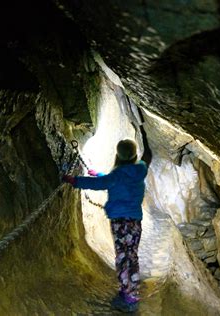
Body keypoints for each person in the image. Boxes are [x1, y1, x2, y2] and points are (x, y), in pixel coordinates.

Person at [63, 128, 152, 313]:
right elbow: (118, 178)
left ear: (118, 155)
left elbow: (100, 184)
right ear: (134, 155)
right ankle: (132, 289)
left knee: (122, 255)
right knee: (132, 255)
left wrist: (74, 181)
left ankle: (127, 294)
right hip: (135, 220)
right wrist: (100, 174)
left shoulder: (116, 174)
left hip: (119, 221)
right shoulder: (140, 169)